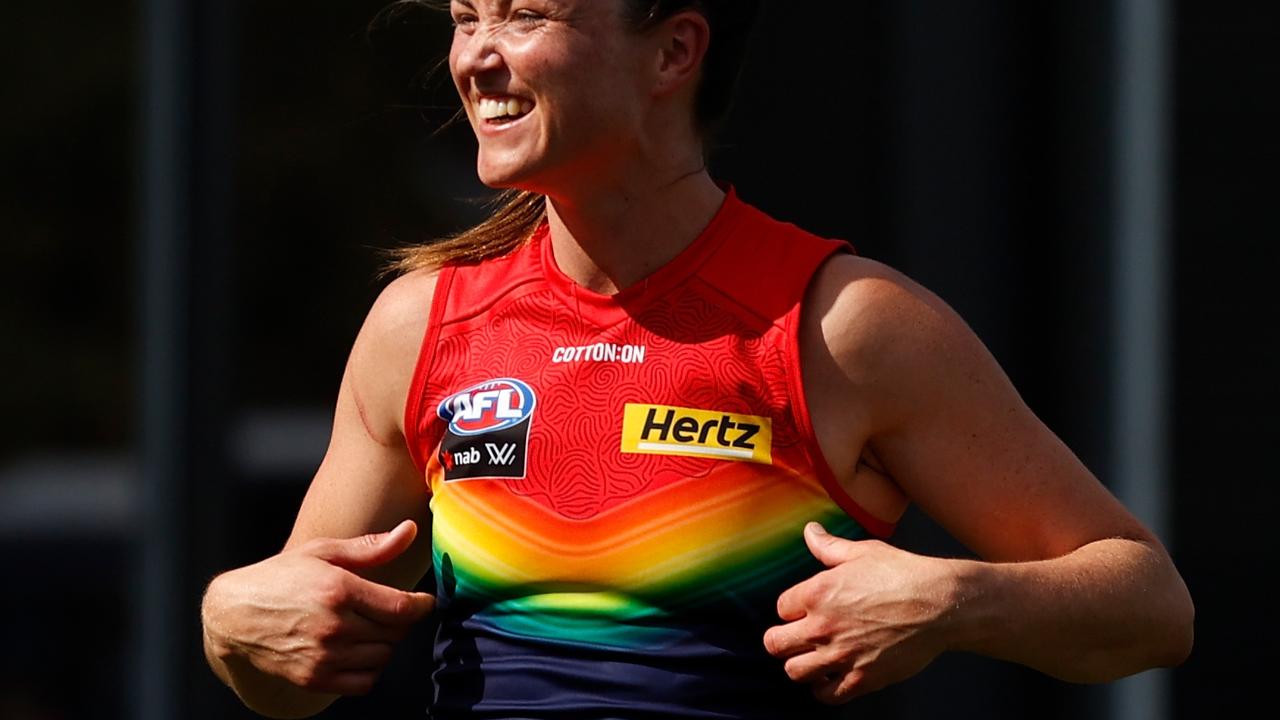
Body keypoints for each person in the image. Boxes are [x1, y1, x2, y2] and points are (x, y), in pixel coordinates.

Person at [199, 1, 1195, 718]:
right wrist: (225, 622)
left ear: (673, 50)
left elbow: (1148, 607)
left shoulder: (843, 325)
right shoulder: (419, 326)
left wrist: (954, 600)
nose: (476, 59)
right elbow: (285, 672)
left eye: (523, 17)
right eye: (465, 19)